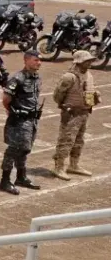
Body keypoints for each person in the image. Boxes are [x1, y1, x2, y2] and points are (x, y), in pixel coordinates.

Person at [0, 50, 43, 194]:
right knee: (13, 149)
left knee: (25, 149)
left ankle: (21, 177)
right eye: (36, 60)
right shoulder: (18, 78)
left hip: (32, 120)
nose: (39, 63)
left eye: (39, 60)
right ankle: (5, 180)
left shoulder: (36, 78)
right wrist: (13, 111)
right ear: (27, 60)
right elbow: (6, 100)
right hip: (19, 120)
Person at [51, 50, 100, 179]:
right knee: (66, 141)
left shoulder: (88, 75)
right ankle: (59, 167)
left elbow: (91, 89)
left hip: (84, 112)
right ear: (79, 62)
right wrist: (65, 106)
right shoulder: (69, 77)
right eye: (87, 61)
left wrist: (95, 96)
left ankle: (73, 165)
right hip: (71, 114)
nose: (90, 63)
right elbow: (57, 96)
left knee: (79, 141)